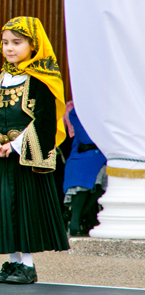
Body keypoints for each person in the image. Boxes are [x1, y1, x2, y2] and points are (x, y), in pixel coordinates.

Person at [0, 17, 70, 285]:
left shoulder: (40, 80)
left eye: (17, 42)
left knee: (25, 211)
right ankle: (13, 263)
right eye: (5, 43)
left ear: (33, 45)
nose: (9, 48)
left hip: (26, 158)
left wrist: (14, 145)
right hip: (1, 158)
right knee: (4, 210)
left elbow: (45, 121)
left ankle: (27, 265)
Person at [62, 102, 107, 237]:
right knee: (80, 178)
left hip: (103, 155)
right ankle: (75, 219)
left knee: (103, 180)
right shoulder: (76, 110)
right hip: (82, 153)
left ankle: (78, 215)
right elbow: (84, 136)